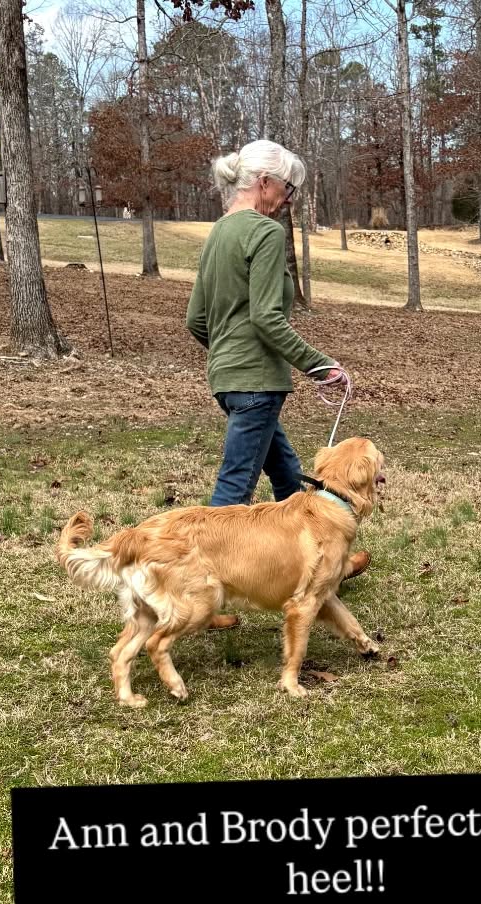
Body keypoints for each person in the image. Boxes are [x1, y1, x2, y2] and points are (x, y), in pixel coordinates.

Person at [186, 138, 370, 578]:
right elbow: (268, 318)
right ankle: (196, 586)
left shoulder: (219, 231)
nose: (290, 199)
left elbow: (196, 319)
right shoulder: (265, 232)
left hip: (230, 382)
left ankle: (324, 564)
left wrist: (230, 355)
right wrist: (319, 364)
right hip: (256, 383)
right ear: (264, 182)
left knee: (288, 476)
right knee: (235, 491)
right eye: (288, 188)